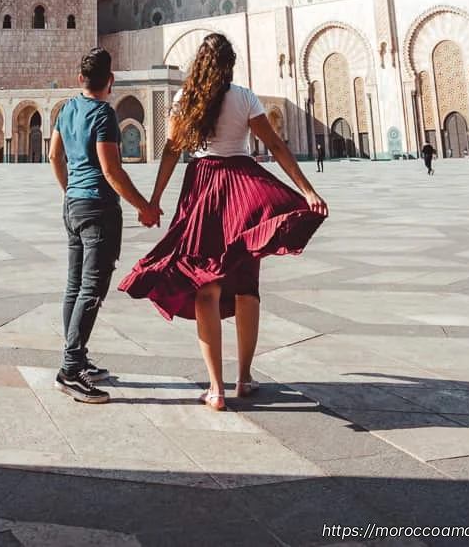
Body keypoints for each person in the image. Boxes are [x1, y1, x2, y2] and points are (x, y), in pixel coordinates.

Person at [120, 33, 327, 411]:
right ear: (229, 64)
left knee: (206, 287)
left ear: (198, 64)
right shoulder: (244, 96)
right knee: (247, 287)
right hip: (243, 190)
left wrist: (153, 200)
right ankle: (244, 377)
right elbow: (277, 146)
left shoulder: (185, 99)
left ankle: (215, 388)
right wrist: (307, 189)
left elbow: (171, 151)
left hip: (201, 188)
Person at [49, 47, 159, 404]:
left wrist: (70, 190)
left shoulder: (66, 109)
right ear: (110, 81)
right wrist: (144, 207)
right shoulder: (103, 114)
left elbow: (54, 155)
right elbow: (111, 170)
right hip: (98, 209)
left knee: (75, 286)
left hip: (73, 206)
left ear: (80, 79)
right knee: (91, 289)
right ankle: (70, 369)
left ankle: (76, 359)